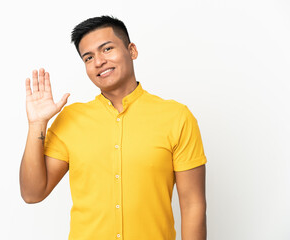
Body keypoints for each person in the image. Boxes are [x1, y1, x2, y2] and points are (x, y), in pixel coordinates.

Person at [20, 15, 207, 240]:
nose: (98, 61)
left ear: (132, 51)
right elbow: (32, 193)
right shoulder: (70, 119)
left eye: (107, 49)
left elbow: (192, 204)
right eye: (88, 58)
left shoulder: (177, 117)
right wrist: (37, 124)